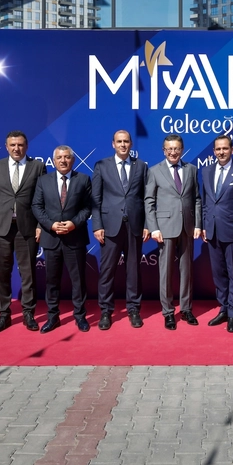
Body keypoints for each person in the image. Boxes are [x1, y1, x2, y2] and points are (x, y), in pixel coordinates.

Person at [0, 130, 47, 333]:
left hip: (27, 227)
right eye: (12, 145)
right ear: (6, 147)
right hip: (1, 228)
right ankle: (4, 314)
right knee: (2, 273)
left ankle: (28, 313)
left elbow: (44, 199)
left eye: (20, 145)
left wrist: (40, 226)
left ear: (26, 146)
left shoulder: (38, 166)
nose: (16, 148)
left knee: (28, 273)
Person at [91, 130, 149, 330]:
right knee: (107, 270)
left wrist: (147, 225)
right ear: (113, 144)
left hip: (134, 226)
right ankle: (106, 311)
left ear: (131, 144)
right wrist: (97, 225)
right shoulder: (101, 165)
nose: (123, 145)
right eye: (119, 141)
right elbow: (95, 199)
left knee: (133, 270)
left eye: (126, 141)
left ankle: (133, 309)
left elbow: (146, 198)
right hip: (109, 226)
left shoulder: (141, 166)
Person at [32, 145, 92, 333]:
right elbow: (36, 206)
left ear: (72, 160)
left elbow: (88, 207)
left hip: (75, 237)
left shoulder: (83, 179)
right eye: (59, 157)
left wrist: (74, 223)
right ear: (53, 161)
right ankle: (53, 317)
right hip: (51, 238)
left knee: (78, 280)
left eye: (67, 157)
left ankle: (80, 316)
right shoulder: (43, 181)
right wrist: (50, 225)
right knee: (51, 281)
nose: (63, 160)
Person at [144, 134, 202, 330]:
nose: (173, 152)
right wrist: (154, 228)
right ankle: (168, 312)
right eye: (169, 149)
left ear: (182, 150)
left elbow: (196, 199)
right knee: (166, 272)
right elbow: (149, 202)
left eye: (176, 148)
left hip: (187, 226)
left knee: (187, 270)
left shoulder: (191, 169)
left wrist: (198, 224)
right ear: (164, 151)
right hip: (165, 227)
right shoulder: (154, 171)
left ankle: (186, 309)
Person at [201, 135, 233, 333]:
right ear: (214, 151)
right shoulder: (206, 171)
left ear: (232, 150)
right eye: (218, 149)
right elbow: (206, 202)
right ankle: (223, 308)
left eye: (225, 148)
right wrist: (204, 225)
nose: (221, 152)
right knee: (218, 274)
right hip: (212, 231)